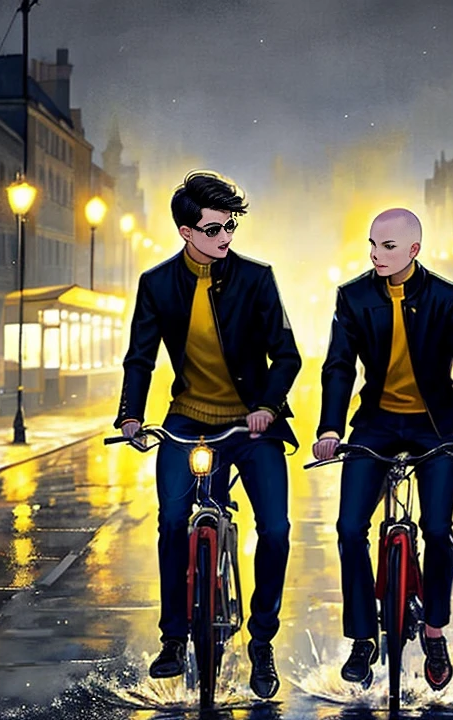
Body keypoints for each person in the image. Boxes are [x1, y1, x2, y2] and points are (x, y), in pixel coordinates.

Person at [115, 171, 301, 699]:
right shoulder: (157, 284)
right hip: (186, 419)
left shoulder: (257, 279)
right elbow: (140, 359)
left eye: (230, 227)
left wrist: (268, 405)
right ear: (186, 232)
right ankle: (174, 640)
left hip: (251, 423)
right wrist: (131, 415)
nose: (225, 238)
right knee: (173, 519)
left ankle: (262, 640)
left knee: (278, 528)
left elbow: (287, 355)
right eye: (214, 228)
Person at [313, 208, 453, 691]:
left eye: (388, 246)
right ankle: (362, 638)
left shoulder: (447, 299)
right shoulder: (353, 297)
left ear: (414, 250)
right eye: (372, 244)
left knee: (437, 528)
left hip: (435, 428)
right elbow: (338, 368)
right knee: (350, 527)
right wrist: (330, 428)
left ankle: (434, 631)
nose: (376, 254)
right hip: (375, 424)